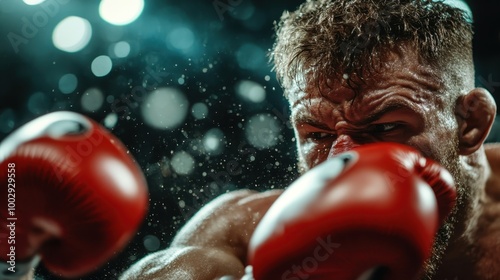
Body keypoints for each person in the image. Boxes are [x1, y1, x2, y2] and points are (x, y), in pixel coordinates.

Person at [120, 0, 500, 279]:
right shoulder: (244, 231)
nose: (343, 161)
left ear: (472, 123)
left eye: (385, 129)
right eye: (318, 135)